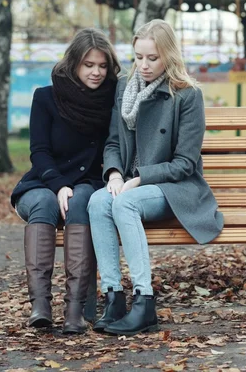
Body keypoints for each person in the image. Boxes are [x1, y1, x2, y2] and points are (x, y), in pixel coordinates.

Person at [87, 19, 224, 336]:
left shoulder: (186, 95)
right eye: (139, 57)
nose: (144, 65)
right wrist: (114, 174)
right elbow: (112, 142)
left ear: (169, 56)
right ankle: (113, 298)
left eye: (153, 58)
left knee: (124, 205)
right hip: (132, 183)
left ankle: (144, 302)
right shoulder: (124, 87)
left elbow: (185, 164)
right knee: (97, 202)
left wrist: (139, 179)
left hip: (174, 188)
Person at [10, 28, 121, 334]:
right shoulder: (46, 97)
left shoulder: (113, 99)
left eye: (102, 66)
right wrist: (58, 184)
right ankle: (40, 306)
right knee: (45, 203)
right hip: (43, 183)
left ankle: (75, 311)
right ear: (73, 64)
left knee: (81, 199)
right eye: (89, 65)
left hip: (88, 182)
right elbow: (39, 152)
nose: (97, 72)